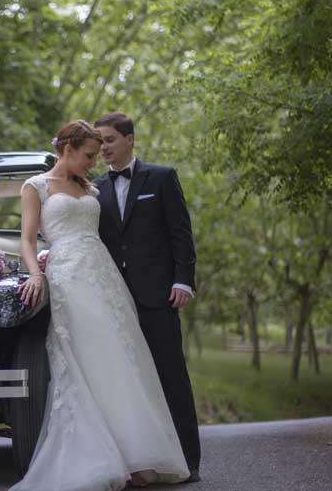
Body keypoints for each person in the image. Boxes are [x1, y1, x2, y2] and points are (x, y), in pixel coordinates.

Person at [12, 119, 189, 491]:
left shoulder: (91, 187)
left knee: (120, 361)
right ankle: (100, 458)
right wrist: (35, 274)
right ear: (68, 149)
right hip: (67, 278)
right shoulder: (36, 187)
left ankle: (136, 455)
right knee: (84, 363)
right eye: (89, 155)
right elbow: (27, 239)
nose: (94, 162)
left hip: (105, 278)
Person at [92, 111, 201, 483]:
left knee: (172, 377)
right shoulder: (94, 188)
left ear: (129, 139)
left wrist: (183, 280)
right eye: (99, 141)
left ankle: (189, 462)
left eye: (108, 139)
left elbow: (180, 234)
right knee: (127, 382)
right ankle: (140, 463)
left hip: (158, 294)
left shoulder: (162, 177)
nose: (102, 147)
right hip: (113, 298)